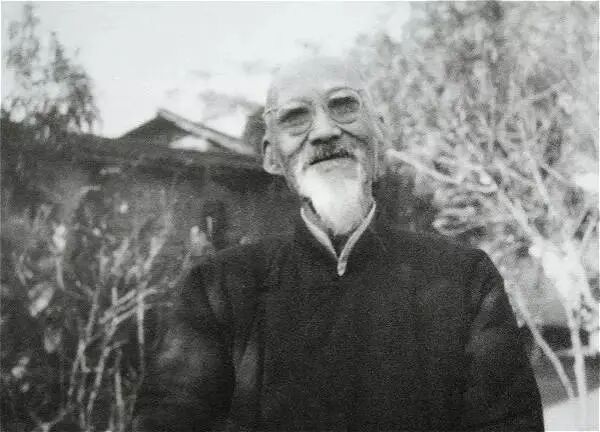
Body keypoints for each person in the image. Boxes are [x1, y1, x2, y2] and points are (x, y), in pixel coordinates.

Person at [134, 57, 544, 431]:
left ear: (379, 135)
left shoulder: (465, 279)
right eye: (296, 117)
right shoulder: (217, 290)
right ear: (272, 157)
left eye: (343, 105)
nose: (325, 131)